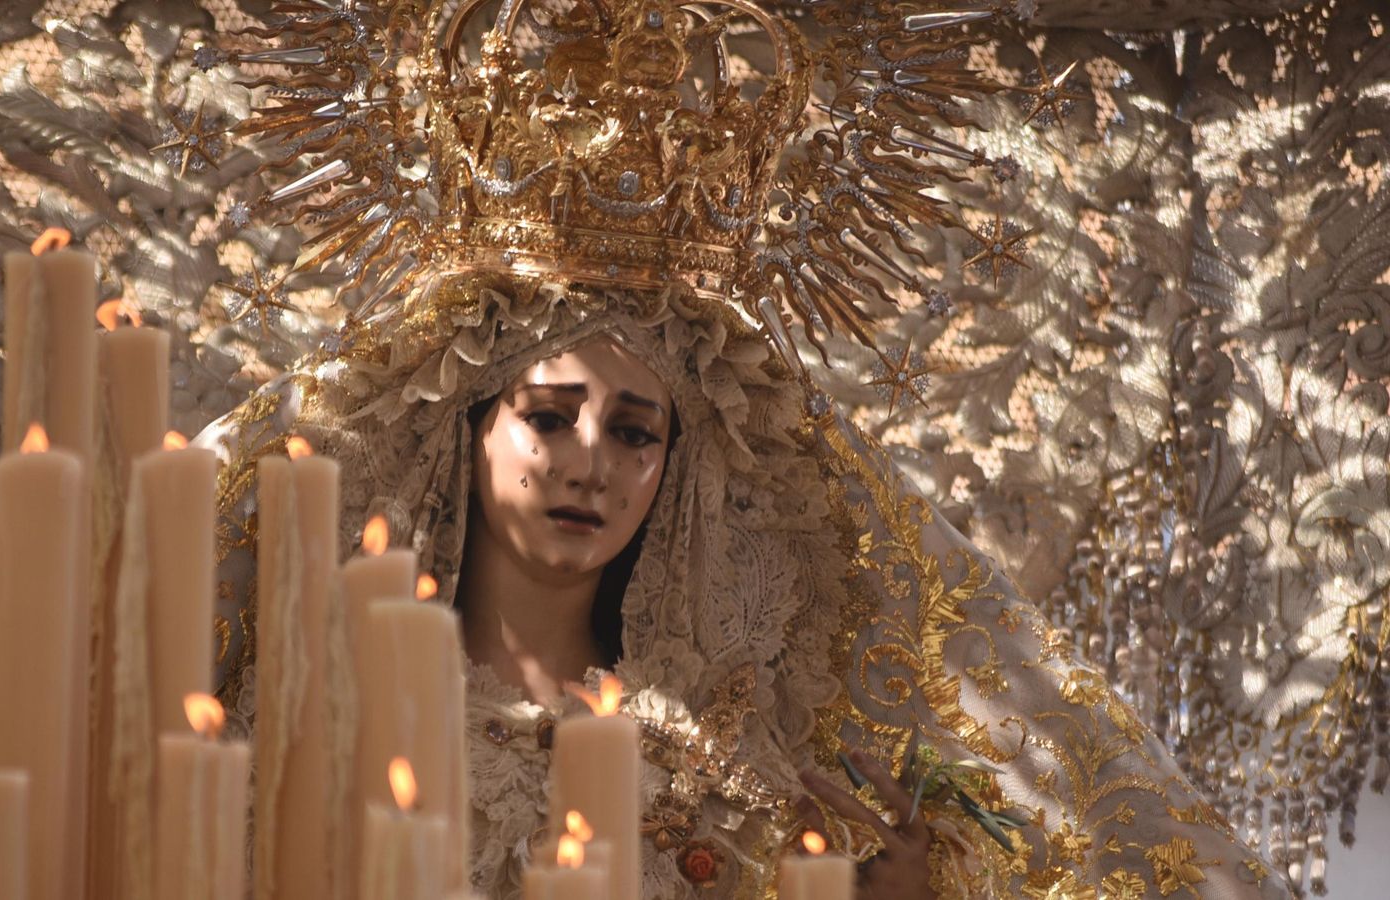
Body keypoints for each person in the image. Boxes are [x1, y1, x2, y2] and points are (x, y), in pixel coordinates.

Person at [196, 0, 1291, 895]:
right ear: (464, 432)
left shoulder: (736, 774)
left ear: (676, 469)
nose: (590, 461)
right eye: (546, 413)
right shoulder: (320, 723)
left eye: (635, 432)